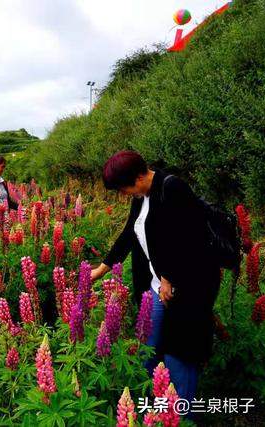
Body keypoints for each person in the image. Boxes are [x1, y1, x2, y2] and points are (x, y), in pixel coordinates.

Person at [90, 150, 220, 403]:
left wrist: (169, 276)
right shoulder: (142, 196)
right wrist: (101, 269)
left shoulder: (173, 189)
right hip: (157, 287)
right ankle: (155, 403)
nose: (122, 194)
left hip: (190, 287)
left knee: (179, 354)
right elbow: (129, 233)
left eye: (121, 188)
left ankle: (181, 414)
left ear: (138, 177)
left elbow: (193, 240)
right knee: (147, 346)